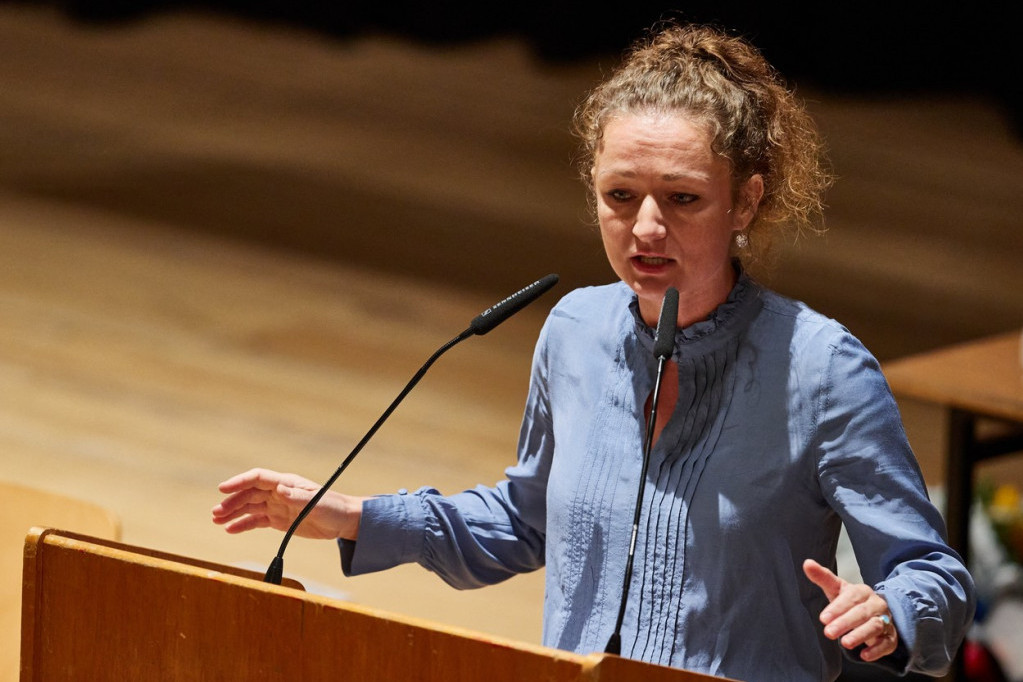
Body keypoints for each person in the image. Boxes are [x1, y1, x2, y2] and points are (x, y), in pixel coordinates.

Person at [212, 22, 975, 682]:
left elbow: (933, 576)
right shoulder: (575, 331)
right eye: (620, 196)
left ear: (745, 200)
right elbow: (527, 523)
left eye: (681, 199)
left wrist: (891, 611)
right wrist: (354, 517)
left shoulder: (821, 369)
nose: (645, 228)